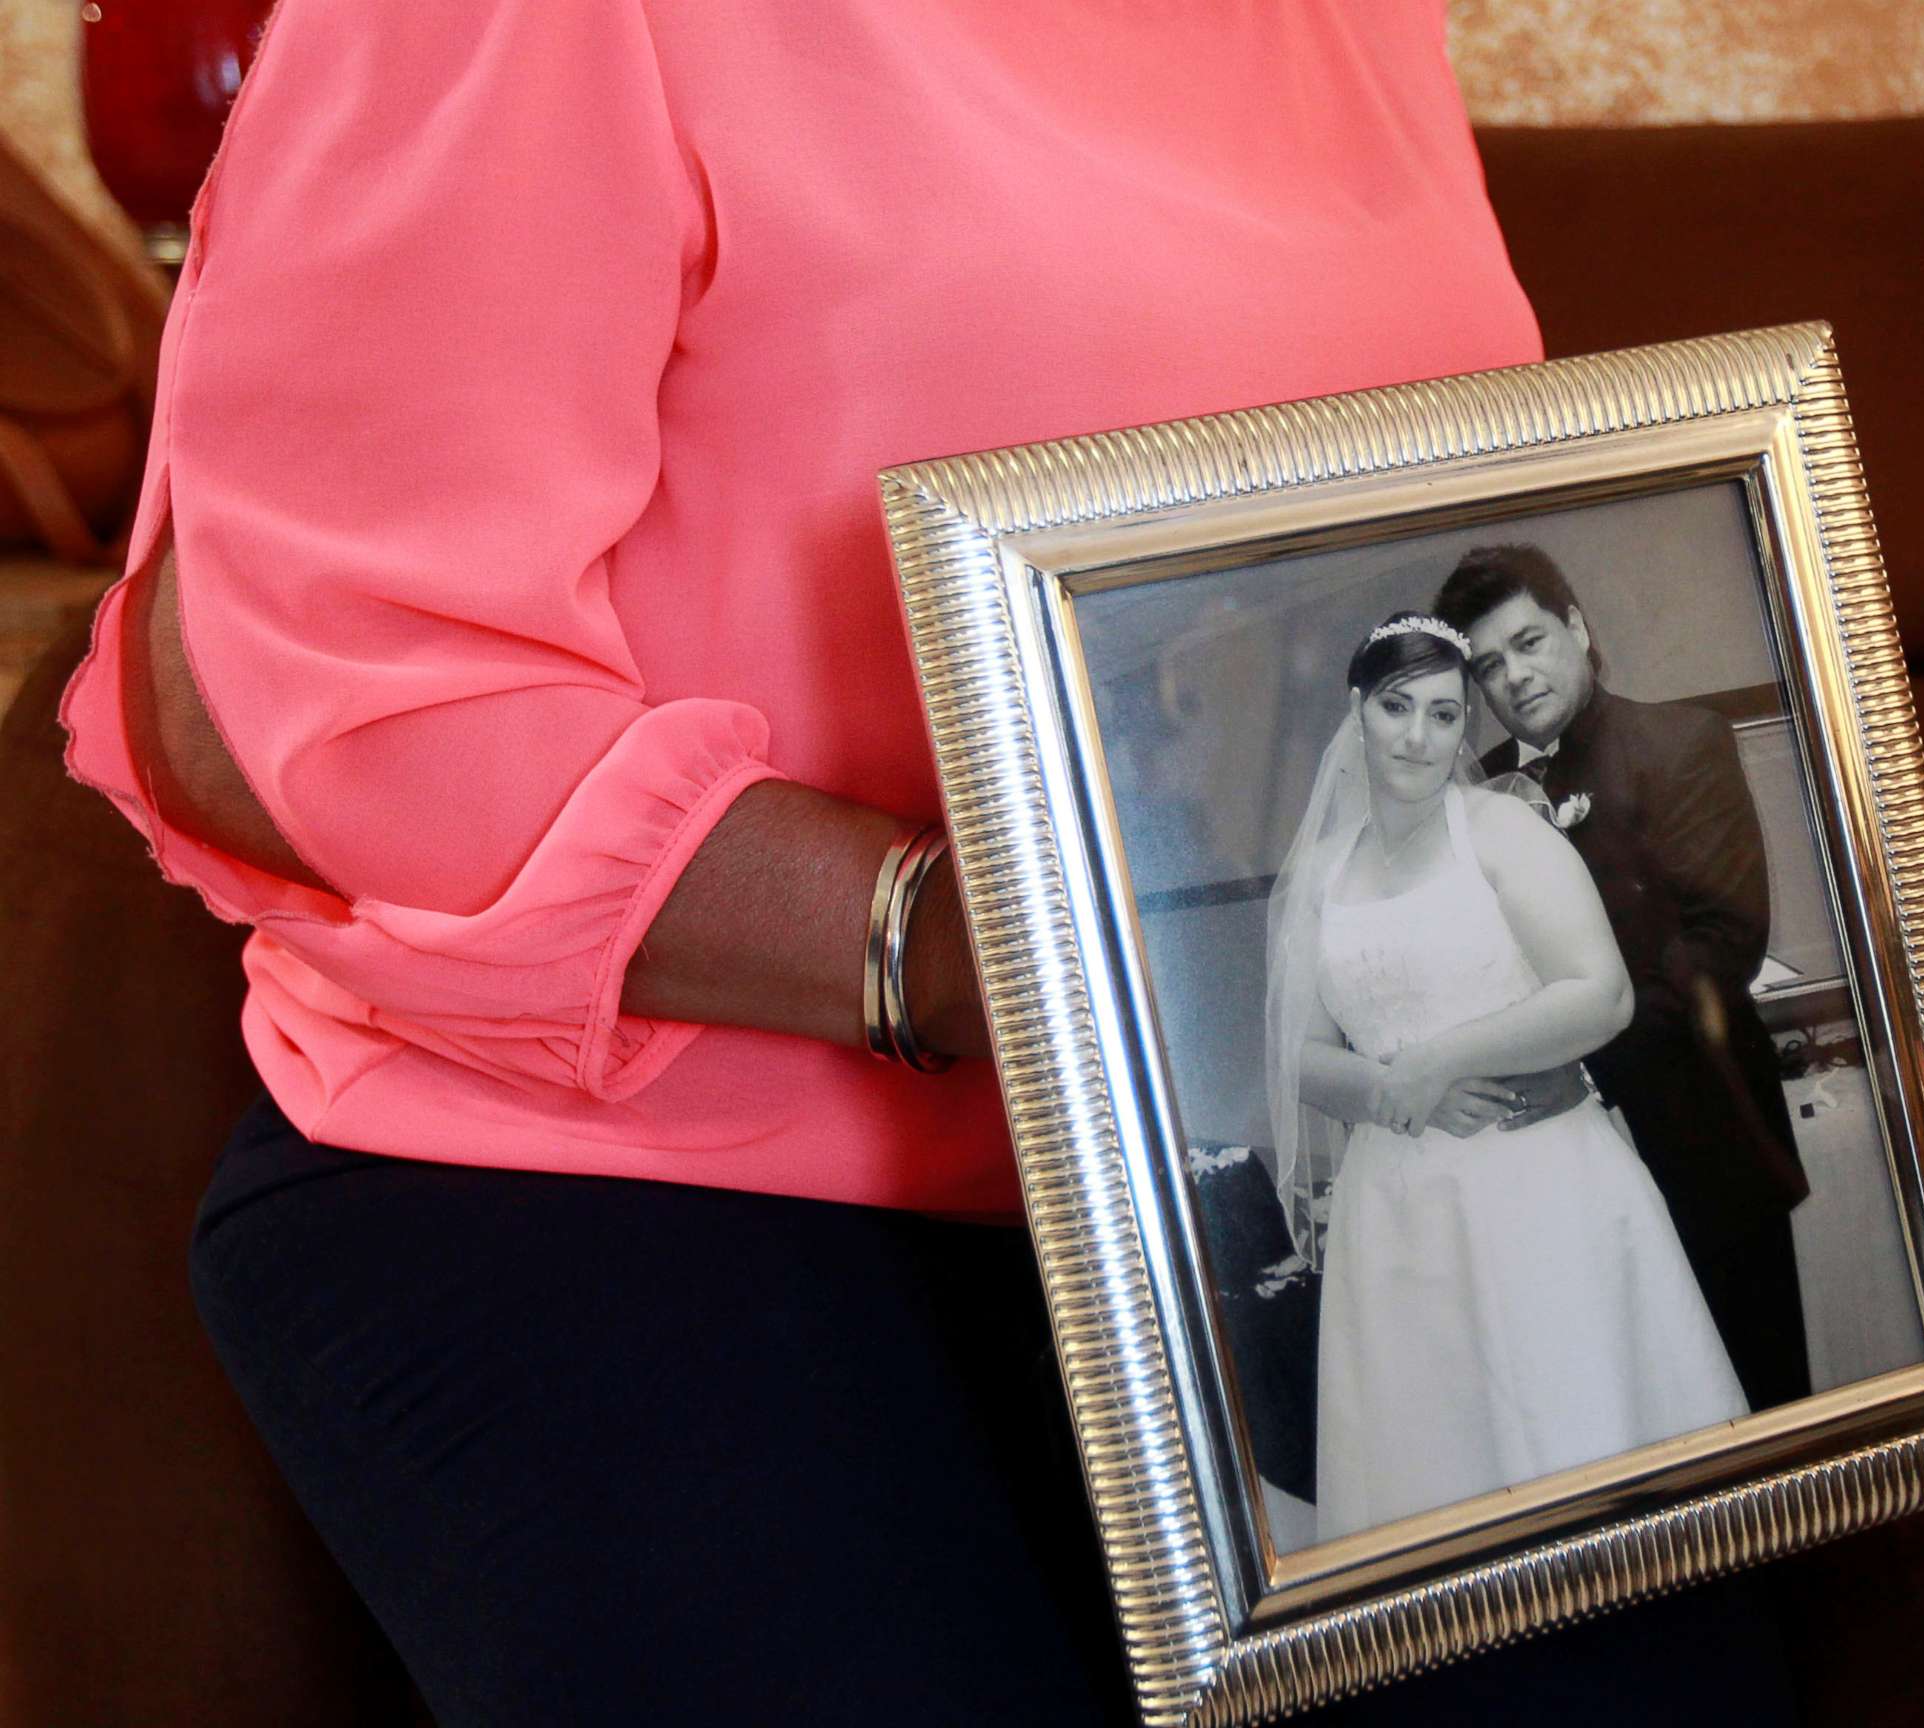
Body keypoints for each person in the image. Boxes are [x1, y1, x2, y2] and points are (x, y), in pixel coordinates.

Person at [57, 2, 1813, 1721]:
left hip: (1187, 1168)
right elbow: (332, 694)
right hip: (655, 1170)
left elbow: (1390, 563)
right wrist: (988, 938)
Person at [1267, 615, 1749, 1542]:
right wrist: (1395, 1095)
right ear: (1357, 712)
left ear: (1463, 729)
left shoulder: (1502, 831)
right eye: (1398, 708)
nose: (1418, 736)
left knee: (1577, 1425)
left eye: (1445, 715)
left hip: (1539, 1182)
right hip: (1400, 1207)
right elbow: (1297, 1054)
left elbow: (1598, 995)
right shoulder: (1322, 876)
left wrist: (1441, 1058)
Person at [1436, 544, 1817, 1411]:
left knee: (1756, 1408)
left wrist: (1572, 1066)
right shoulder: (1471, 803)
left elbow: (1722, 947)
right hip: (1551, 1167)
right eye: (1490, 667)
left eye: (1529, 642)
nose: (1515, 676)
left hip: (1703, 1135)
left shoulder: (1681, 740)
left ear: (1578, 628)